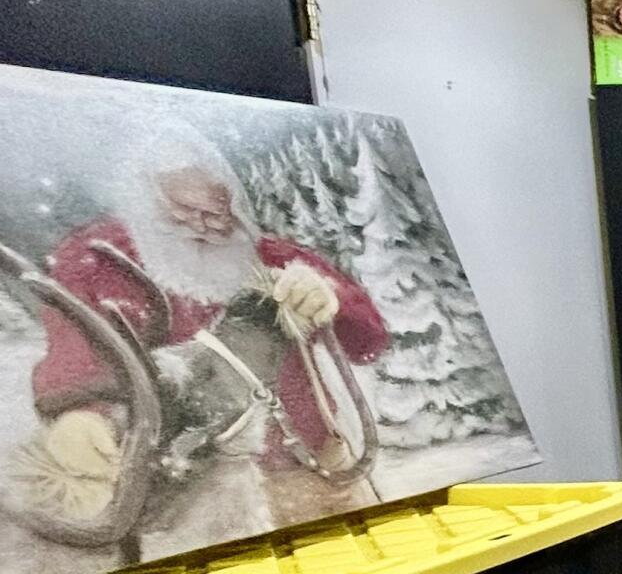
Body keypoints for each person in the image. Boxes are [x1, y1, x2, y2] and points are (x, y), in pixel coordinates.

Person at [21, 158, 387, 535]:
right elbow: (74, 343)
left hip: (315, 468)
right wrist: (81, 412)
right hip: (187, 496)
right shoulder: (97, 259)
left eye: (216, 211)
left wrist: (331, 298)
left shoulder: (267, 255)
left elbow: (368, 339)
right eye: (181, 210)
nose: (201, 224)